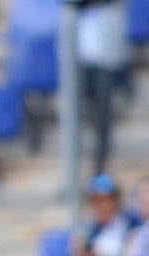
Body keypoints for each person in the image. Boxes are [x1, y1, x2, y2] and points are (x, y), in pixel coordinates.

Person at [76, 0, 130, 176]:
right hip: (79, 53)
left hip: (106, 54)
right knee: (78, 116)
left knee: (103, 116)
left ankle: (100, 167)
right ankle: (76, 172)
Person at [70, 174, 133, 256]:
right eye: (94, 201)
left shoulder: (130, 226)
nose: (99, 206)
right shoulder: (90, 229)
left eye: (103, 200)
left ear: (116, 200)